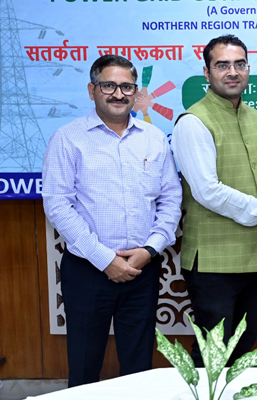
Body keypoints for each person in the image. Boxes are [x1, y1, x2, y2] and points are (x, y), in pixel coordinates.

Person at [42, 54, 181, 387]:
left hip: (142, 269)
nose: (118, 94)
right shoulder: (68, 138)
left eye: (126, 87)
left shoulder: (154, 138)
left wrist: (150, 249)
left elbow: (171, 200)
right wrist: (104, 259)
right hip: (88, 270)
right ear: (92, 90)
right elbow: (58, 205)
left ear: (136, 92)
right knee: (85, 366)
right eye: (109, 86)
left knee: (139, 367)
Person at [171, 34, 257, 366]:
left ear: (248, 68)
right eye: (222, 65)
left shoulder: (254, 117)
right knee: (212, 356)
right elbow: (208, 192)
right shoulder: (193, 122)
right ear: (207, 72)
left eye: (239, 64)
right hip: (212, 262)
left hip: (253, 257)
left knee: (243, 352)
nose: (232, 72)